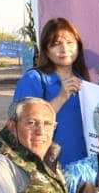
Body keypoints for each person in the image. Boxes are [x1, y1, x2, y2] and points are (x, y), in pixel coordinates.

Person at [13, 17, 91, 166]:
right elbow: (21, 125)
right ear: (46, 50)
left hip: (82, 168)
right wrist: (61, 97)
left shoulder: (83, 81)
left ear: (78, 46)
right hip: (48, 168)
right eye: (56, 44)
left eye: (70, 43)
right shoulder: (34, 79)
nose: (64, 49)